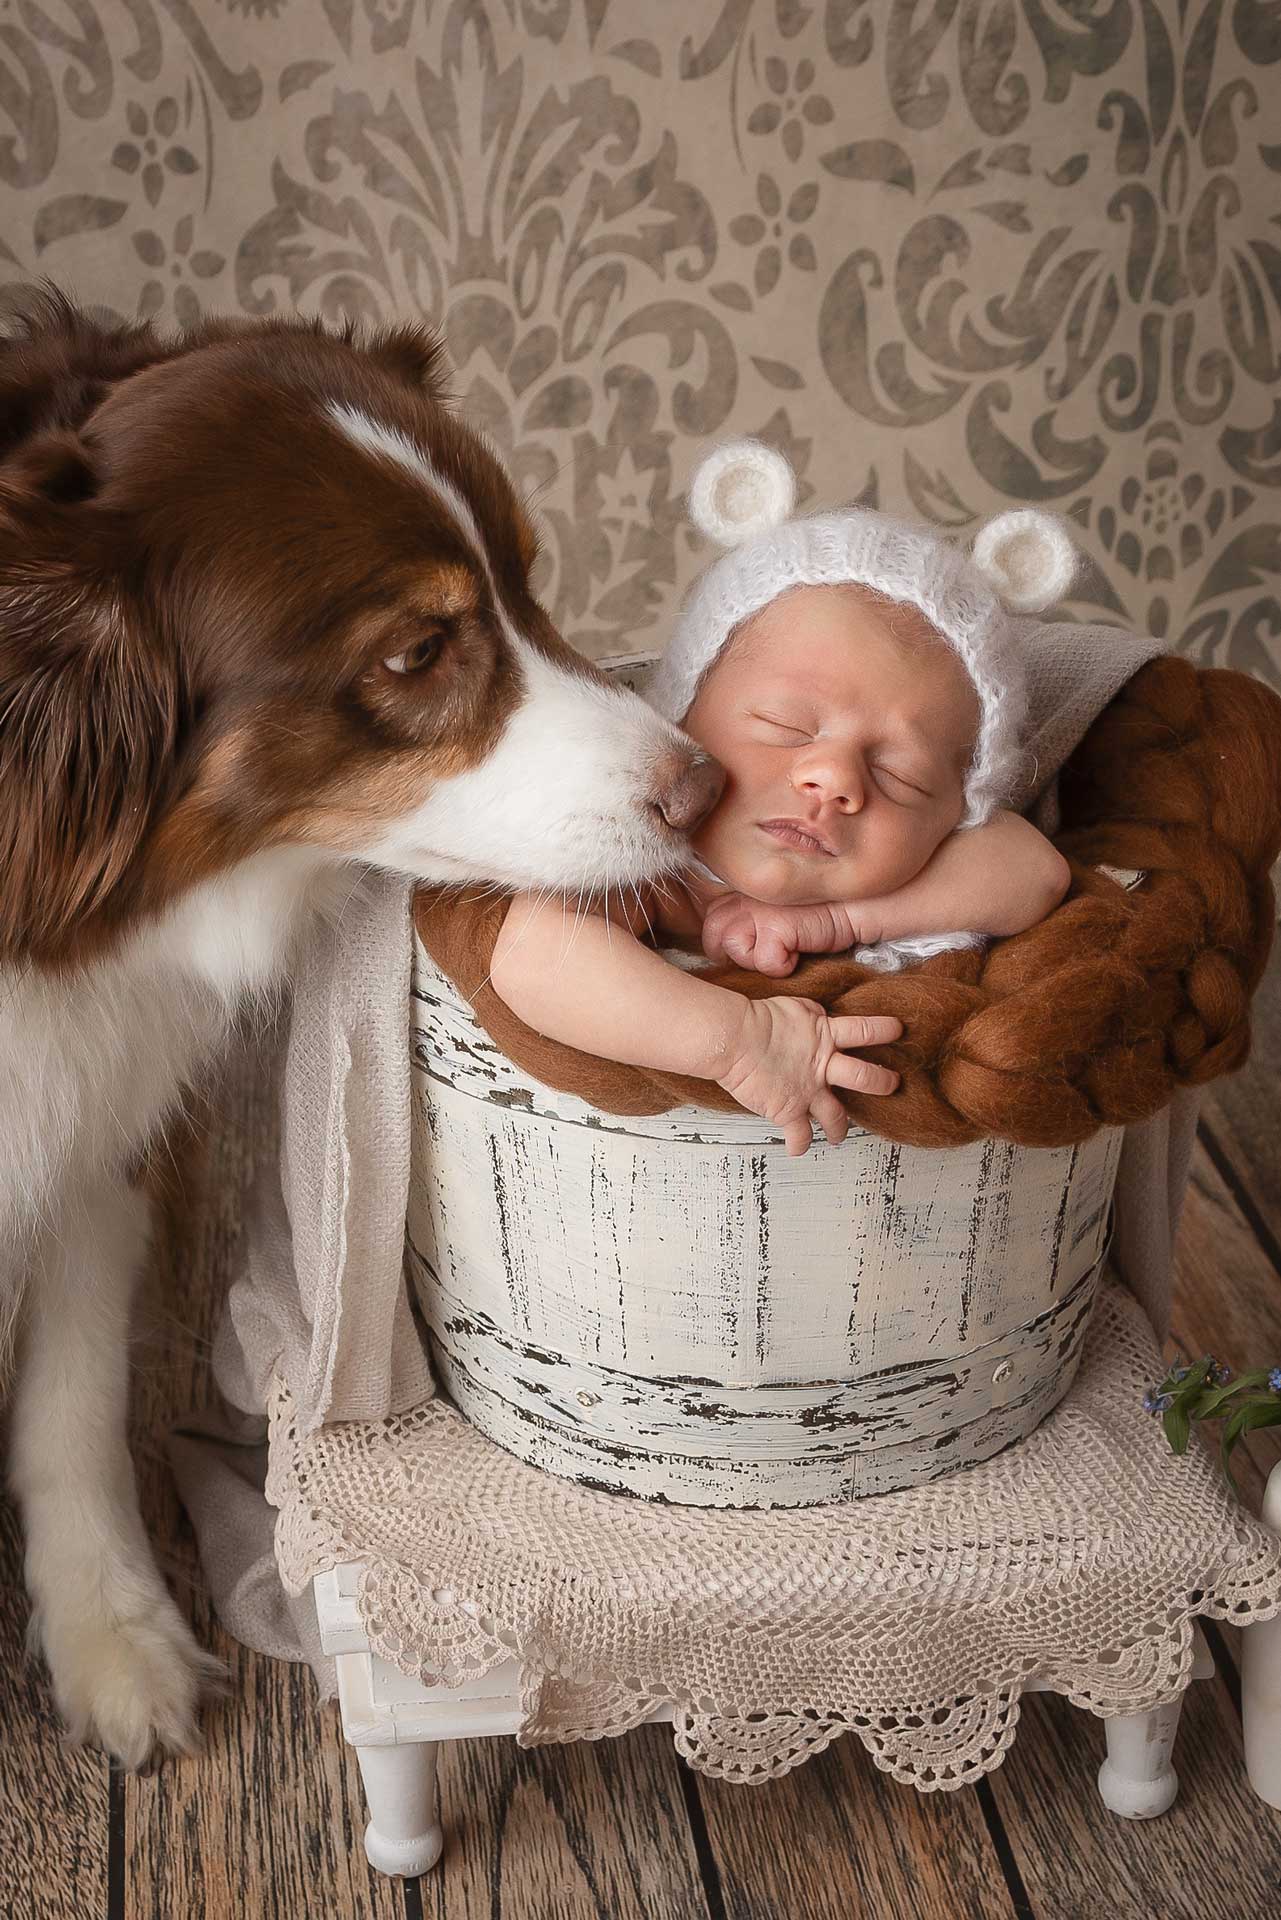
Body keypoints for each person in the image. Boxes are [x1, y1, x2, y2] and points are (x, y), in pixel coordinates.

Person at [490, 442, 1075, 1156]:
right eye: (785, 727)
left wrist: (836, 919)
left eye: (901, 777)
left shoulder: (916, 882)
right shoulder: (659, 878)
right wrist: (741, 1042)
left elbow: (1032, 872)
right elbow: (531, 957)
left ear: (953, 814)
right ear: (678, 720)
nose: (832, 778)